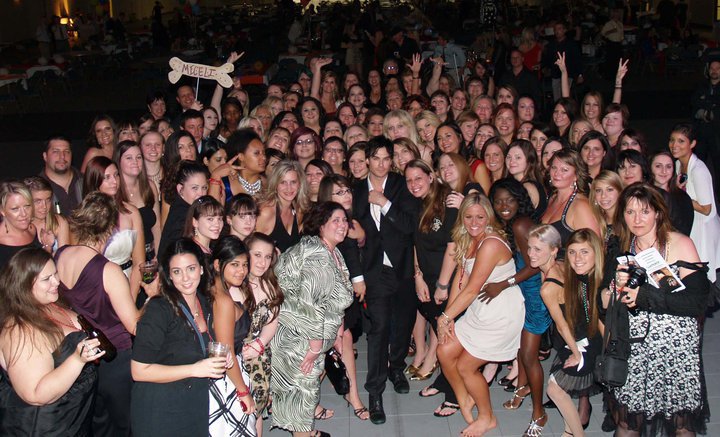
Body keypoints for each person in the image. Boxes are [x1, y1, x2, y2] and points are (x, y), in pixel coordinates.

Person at [606, 184, 710, 435]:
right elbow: (608, 298)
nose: (637, 219)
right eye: (630, 212)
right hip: (635, 348)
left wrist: (644, 296)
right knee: (628, 422)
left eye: (644, 212)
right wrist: (613, 291)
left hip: (675, 348)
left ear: (658, 213)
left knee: (680, 423)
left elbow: (698, 301)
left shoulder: (680, 244)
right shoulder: (622, 246)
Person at [436, 193, 525, 436]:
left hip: (501, 314)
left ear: (489, 217)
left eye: (480, 217)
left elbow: (472, 288)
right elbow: (460, 279)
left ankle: (487, 418)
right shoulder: (469, 238)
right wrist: (448, 315)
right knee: (444, 350)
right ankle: (464, 398)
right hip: (480, 310)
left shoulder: (491, 243)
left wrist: (445, 318)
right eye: (468, 217)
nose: (474, 222)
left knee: (466, 367)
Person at [56, 192, 145, 436]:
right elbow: (135, 326)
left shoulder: (60, 255)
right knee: (124, 426)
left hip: (84, 358)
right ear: (110, 230)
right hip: (115, 360)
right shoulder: (108, 270)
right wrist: (153, 297)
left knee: (98, 426)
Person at [352, 136, 420, 424]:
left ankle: (397, 367)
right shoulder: (355, 190)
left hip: (402, 267)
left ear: (392, 161)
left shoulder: (401, 185)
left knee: (403, 324)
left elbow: (410, 225)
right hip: (373, 271)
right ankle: (375, 392)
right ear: (367, 160)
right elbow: (350, 233)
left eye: (386, 158)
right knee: (378, 330)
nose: (381, 164)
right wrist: (357, 275)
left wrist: (384, 203)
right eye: (376, 158)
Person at [271, 202, 354, 437]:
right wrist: (315, 349)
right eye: (335, 220)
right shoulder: (317, 256)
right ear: (321, 225)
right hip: (299, 340)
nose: (342, 225)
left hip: (308, 337)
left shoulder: (331, 250)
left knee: (303, 399)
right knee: (302, 401)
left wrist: (337, 333)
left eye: (344, 220)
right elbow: (311, 306)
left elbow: (335, 300)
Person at [0, 248, 104, 435]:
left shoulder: (50, 303)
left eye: (55, 273)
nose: (56, 281)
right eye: (47, 279)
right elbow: (35, 394)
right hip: (48, 427)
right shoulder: (20, 330)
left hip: (76, 416)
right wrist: (77, 360)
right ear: (23, 285)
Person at [131, 238, 228, 436]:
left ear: (201, 269)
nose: (185, 278)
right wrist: (195, 369)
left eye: (191, 269)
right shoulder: (159, 310)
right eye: (177, 271)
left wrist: (220, 360)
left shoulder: (204, 302)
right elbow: (139, 371)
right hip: (160, 411)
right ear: (169, 275)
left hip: (193, 404)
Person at [488, 178, 550, 434]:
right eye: (498, 201)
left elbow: (535, 265)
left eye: (509, 200)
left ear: (519, 200)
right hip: (524, 294)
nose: (504, 205)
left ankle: (539, 413)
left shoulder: (521, 224)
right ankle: (522, 388)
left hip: (536, 298)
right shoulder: (512, 223)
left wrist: (504, 284)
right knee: (521, 349)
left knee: (528, 356)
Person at [317, 175, 370, 421]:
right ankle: (305, 399)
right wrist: (358, 279)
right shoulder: (326, 223)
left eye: (347, 190)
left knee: (342, 341)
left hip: (344, 291)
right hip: (326, 294)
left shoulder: (349, 219)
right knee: (327, 345)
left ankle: (352, 394)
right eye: (339, 192)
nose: (346, 195)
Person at [543, 229, 603, 436]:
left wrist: (581, 353)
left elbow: (604, 328)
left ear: (596, 253)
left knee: (555, 389)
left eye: (584, 252)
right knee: (556, 389)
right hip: (578, 339)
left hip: (595, 343)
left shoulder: (602, 282)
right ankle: (571, 432)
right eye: (572, 252)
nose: (577, 259)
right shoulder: (575, 277)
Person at [209, 236, 257, 436]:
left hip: (227, 375)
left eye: (245, 265)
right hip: (226, 380)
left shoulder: (218, 291)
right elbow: (225, 352)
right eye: (235, 264)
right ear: (218, 264)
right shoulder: (223, 301)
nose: (242, 271)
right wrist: (243, 391)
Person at [83, 156, 146, 299]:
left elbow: (139, 262)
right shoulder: (85, 217)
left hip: (129, 281)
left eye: (116, 175)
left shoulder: (131, 212)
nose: (114, 181)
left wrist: (130, 298)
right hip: (97, 286)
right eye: (107, 177)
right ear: (95, 181)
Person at [243, 233, 284, 435]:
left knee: (258, 410)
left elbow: (273, 321)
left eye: (267, 257)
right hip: (236, 357)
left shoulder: (269, 284)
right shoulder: (234, 284)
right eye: (257, 255)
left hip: (260, 355)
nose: (262, 262)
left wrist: (260, 344)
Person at [669, 123, 720, 282]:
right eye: (672, 140)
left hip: (703, 227)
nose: (674, 145)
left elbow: (706, 208)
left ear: (692, 144)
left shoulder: (698, 170)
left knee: (704, 274)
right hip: (691, 222)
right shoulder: (678, 164)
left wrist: (681, 195)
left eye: (681, 141)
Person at [541, 149, 600, 252]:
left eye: (564, 170)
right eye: (554, 168)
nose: (556, 173)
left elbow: (596, 247)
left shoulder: (581, 206)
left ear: (576, 175)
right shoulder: (552, 198)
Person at [158, 160, 209, 258]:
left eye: (204, 188)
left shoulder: (187, 209)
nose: (201, 193)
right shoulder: (181, 216)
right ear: (180, 189)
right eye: (195, 188)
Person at [256, 160, 308, 253]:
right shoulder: (266, 212)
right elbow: (249, 247)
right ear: (275, 184)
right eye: (283, 182)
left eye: (293, 182)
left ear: (299, 184)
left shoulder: (298, 210)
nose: (289, 188)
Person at [650, 151, 694, 236]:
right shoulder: (644, 194)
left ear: (673, 170)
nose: (664, 171)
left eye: (668, 167)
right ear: (650, 168)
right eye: (658, 166)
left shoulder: (683, 198)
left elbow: (684, 231)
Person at [0, 181, 42, 266]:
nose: (24, 214)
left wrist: (47, 246)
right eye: (15, 209)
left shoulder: (32, 229)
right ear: (2, 211)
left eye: (27, 206)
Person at [24, 176, 70, 254]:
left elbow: (65, 256)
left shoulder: (58, 222)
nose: (44, 206)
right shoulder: (22, 225)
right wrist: (47, 246)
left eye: (48, 200)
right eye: (38, 201)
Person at [39, 135, 83, 215]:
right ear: (45, 156)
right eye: (56, 151)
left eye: (66, 151)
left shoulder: (86, 181)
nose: (62, 156)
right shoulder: (35, 190)